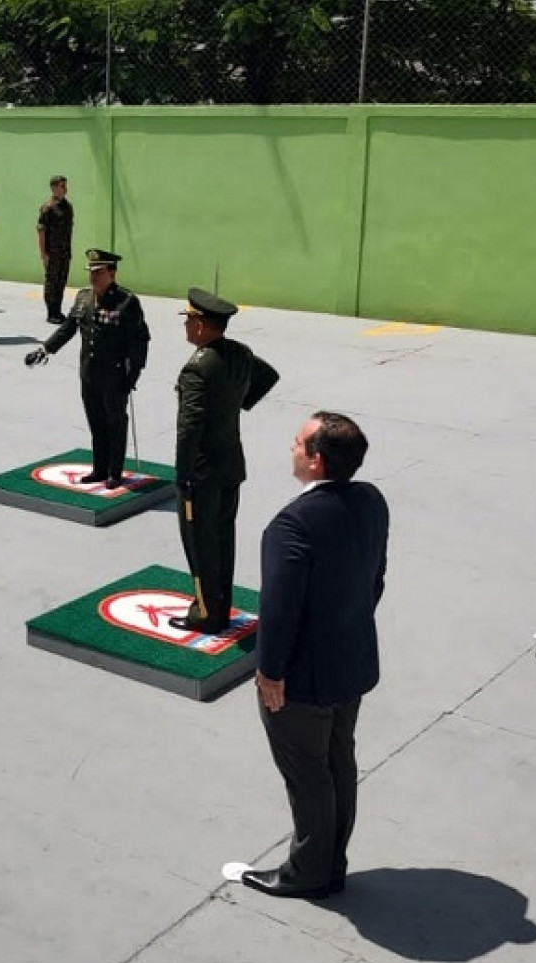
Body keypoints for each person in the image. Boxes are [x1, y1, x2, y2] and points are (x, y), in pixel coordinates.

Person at [224, 412, 389, 900]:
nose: (291, 448)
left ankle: (308, 873)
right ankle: (332, 862)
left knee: (307, 773)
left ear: (315, 461)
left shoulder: (291, 525)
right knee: (340, 761)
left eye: (297, 443)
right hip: (352, 660)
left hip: (303, 678)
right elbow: (375, 579)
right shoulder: (372, 501)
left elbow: (278, 610)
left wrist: (270, 672)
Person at [172, 288, 281, 632]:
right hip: (231, 465)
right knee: (223, 538)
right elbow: (268, 377)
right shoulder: (239, 352)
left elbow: (189, 429)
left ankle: (207, 613)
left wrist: (183, 474)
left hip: (201, 473)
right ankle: (220, 603)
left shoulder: (196, 369)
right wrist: (237, 401)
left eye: (189, 320)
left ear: (202, 326)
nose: (186, 326)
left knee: (200, 543)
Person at [24, 250, 148, 483]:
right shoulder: (83, 298)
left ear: (112, 273)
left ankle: (114, 472)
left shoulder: (126, 302)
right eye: (91, 272)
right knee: (96, 422)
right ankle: (99, 469)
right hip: (89, 373)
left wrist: (133, 375)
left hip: (115, 374)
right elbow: (68, 328)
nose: (94, 277)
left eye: (99, 272)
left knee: (115, 423)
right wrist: (45, 349)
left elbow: (140, 341)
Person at [36, 174, 74, 325]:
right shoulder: (48, 207)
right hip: (52, 252)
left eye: (65, 185)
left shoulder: (68, 206)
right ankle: (51, 312)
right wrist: (43, 253)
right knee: (52, 282)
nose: (65, 189)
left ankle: (58, 310)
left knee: (61, 281)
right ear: (53, 188)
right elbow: (41, 231)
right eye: (61, 186)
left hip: (65, 251)